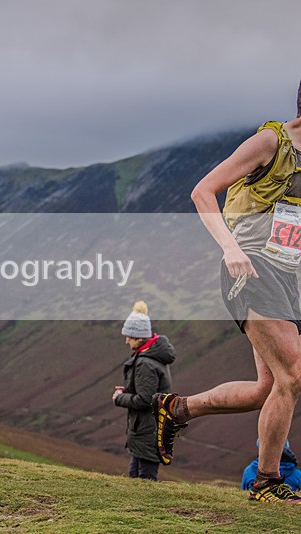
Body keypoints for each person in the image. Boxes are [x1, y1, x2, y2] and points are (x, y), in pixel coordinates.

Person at [153, 80, 301, 502]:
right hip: (251, 268)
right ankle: (268, 482)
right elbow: (203, 190)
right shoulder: (270, 141)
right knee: (293, 373)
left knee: (266, 388)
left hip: (289, 277)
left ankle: (177, 410)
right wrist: (231, 248)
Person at [112, 301, 175, 481]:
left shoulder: (145, 363)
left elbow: (145, 399)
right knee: (136, 476)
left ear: (139, 337)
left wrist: (119, 397)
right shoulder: (151, 358)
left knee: (144, 479)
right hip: (148, 428)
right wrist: (128, 391)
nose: (126, 340)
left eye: (129, 337)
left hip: (146, 430)